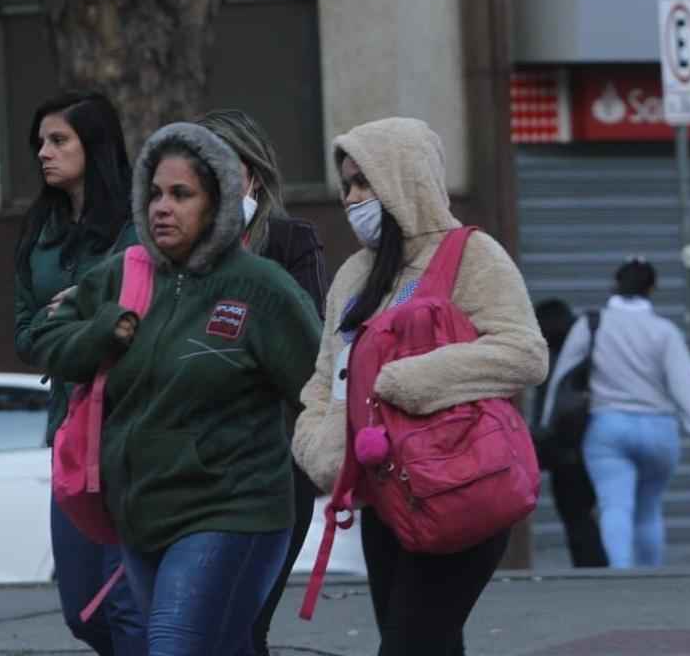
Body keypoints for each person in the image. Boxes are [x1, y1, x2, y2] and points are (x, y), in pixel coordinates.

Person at [32, 122, 322, 655]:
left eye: (181, 195)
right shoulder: (126, 275)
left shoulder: (261, 286)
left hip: (233, 512)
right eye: (155, 194)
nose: (162, 207)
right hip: (142, 518)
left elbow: (318, 389)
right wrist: (103, 330)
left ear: (218, 202)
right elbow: (45, 337)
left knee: (172, 645)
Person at [292, 116, 548, 655]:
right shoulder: (353, 277)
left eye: (364, 181)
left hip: (460, 486)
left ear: (403, 176)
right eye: (345, 185)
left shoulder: (472, 255)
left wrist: (410, 380)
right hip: (385, 498)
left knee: (410, 645)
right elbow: (325, 378)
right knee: (426, 642)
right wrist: (319, 446)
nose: (351, 198)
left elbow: (524, 353)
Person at [195, 108, 331, 656]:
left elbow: (306, 342)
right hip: (192, 463)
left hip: (273, 462)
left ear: (253, 175)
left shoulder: (291, 241)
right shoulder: (169, 250)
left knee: (244, 622)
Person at [13, 91, 145, 655]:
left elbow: (139, 320)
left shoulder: (139, 224)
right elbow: (25, 333)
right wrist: (80, 324)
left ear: (94, 145)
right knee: (82, 610)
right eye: (40, 142)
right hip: (69, 429)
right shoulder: (39, 228)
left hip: (131, 427)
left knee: (126, 604)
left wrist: (80, 318)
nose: (44, 152)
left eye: (58, 140)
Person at [540, 258, 690, 568]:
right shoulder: (664, 332)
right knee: (649, 509)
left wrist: (547, 421)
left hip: (608, 428)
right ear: (652, 288)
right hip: (660, 430)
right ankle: (651, 575)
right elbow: (685, 385)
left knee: (614, 506)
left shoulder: (592, 324)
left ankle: (619, 577)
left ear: (615, 283)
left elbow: (562, 374)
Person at [533, 298, 607, 568]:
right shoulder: (586, 351)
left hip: (571, 454)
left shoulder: (564, 357)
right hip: (577, 451)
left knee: (577, 517)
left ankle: (593, 568)